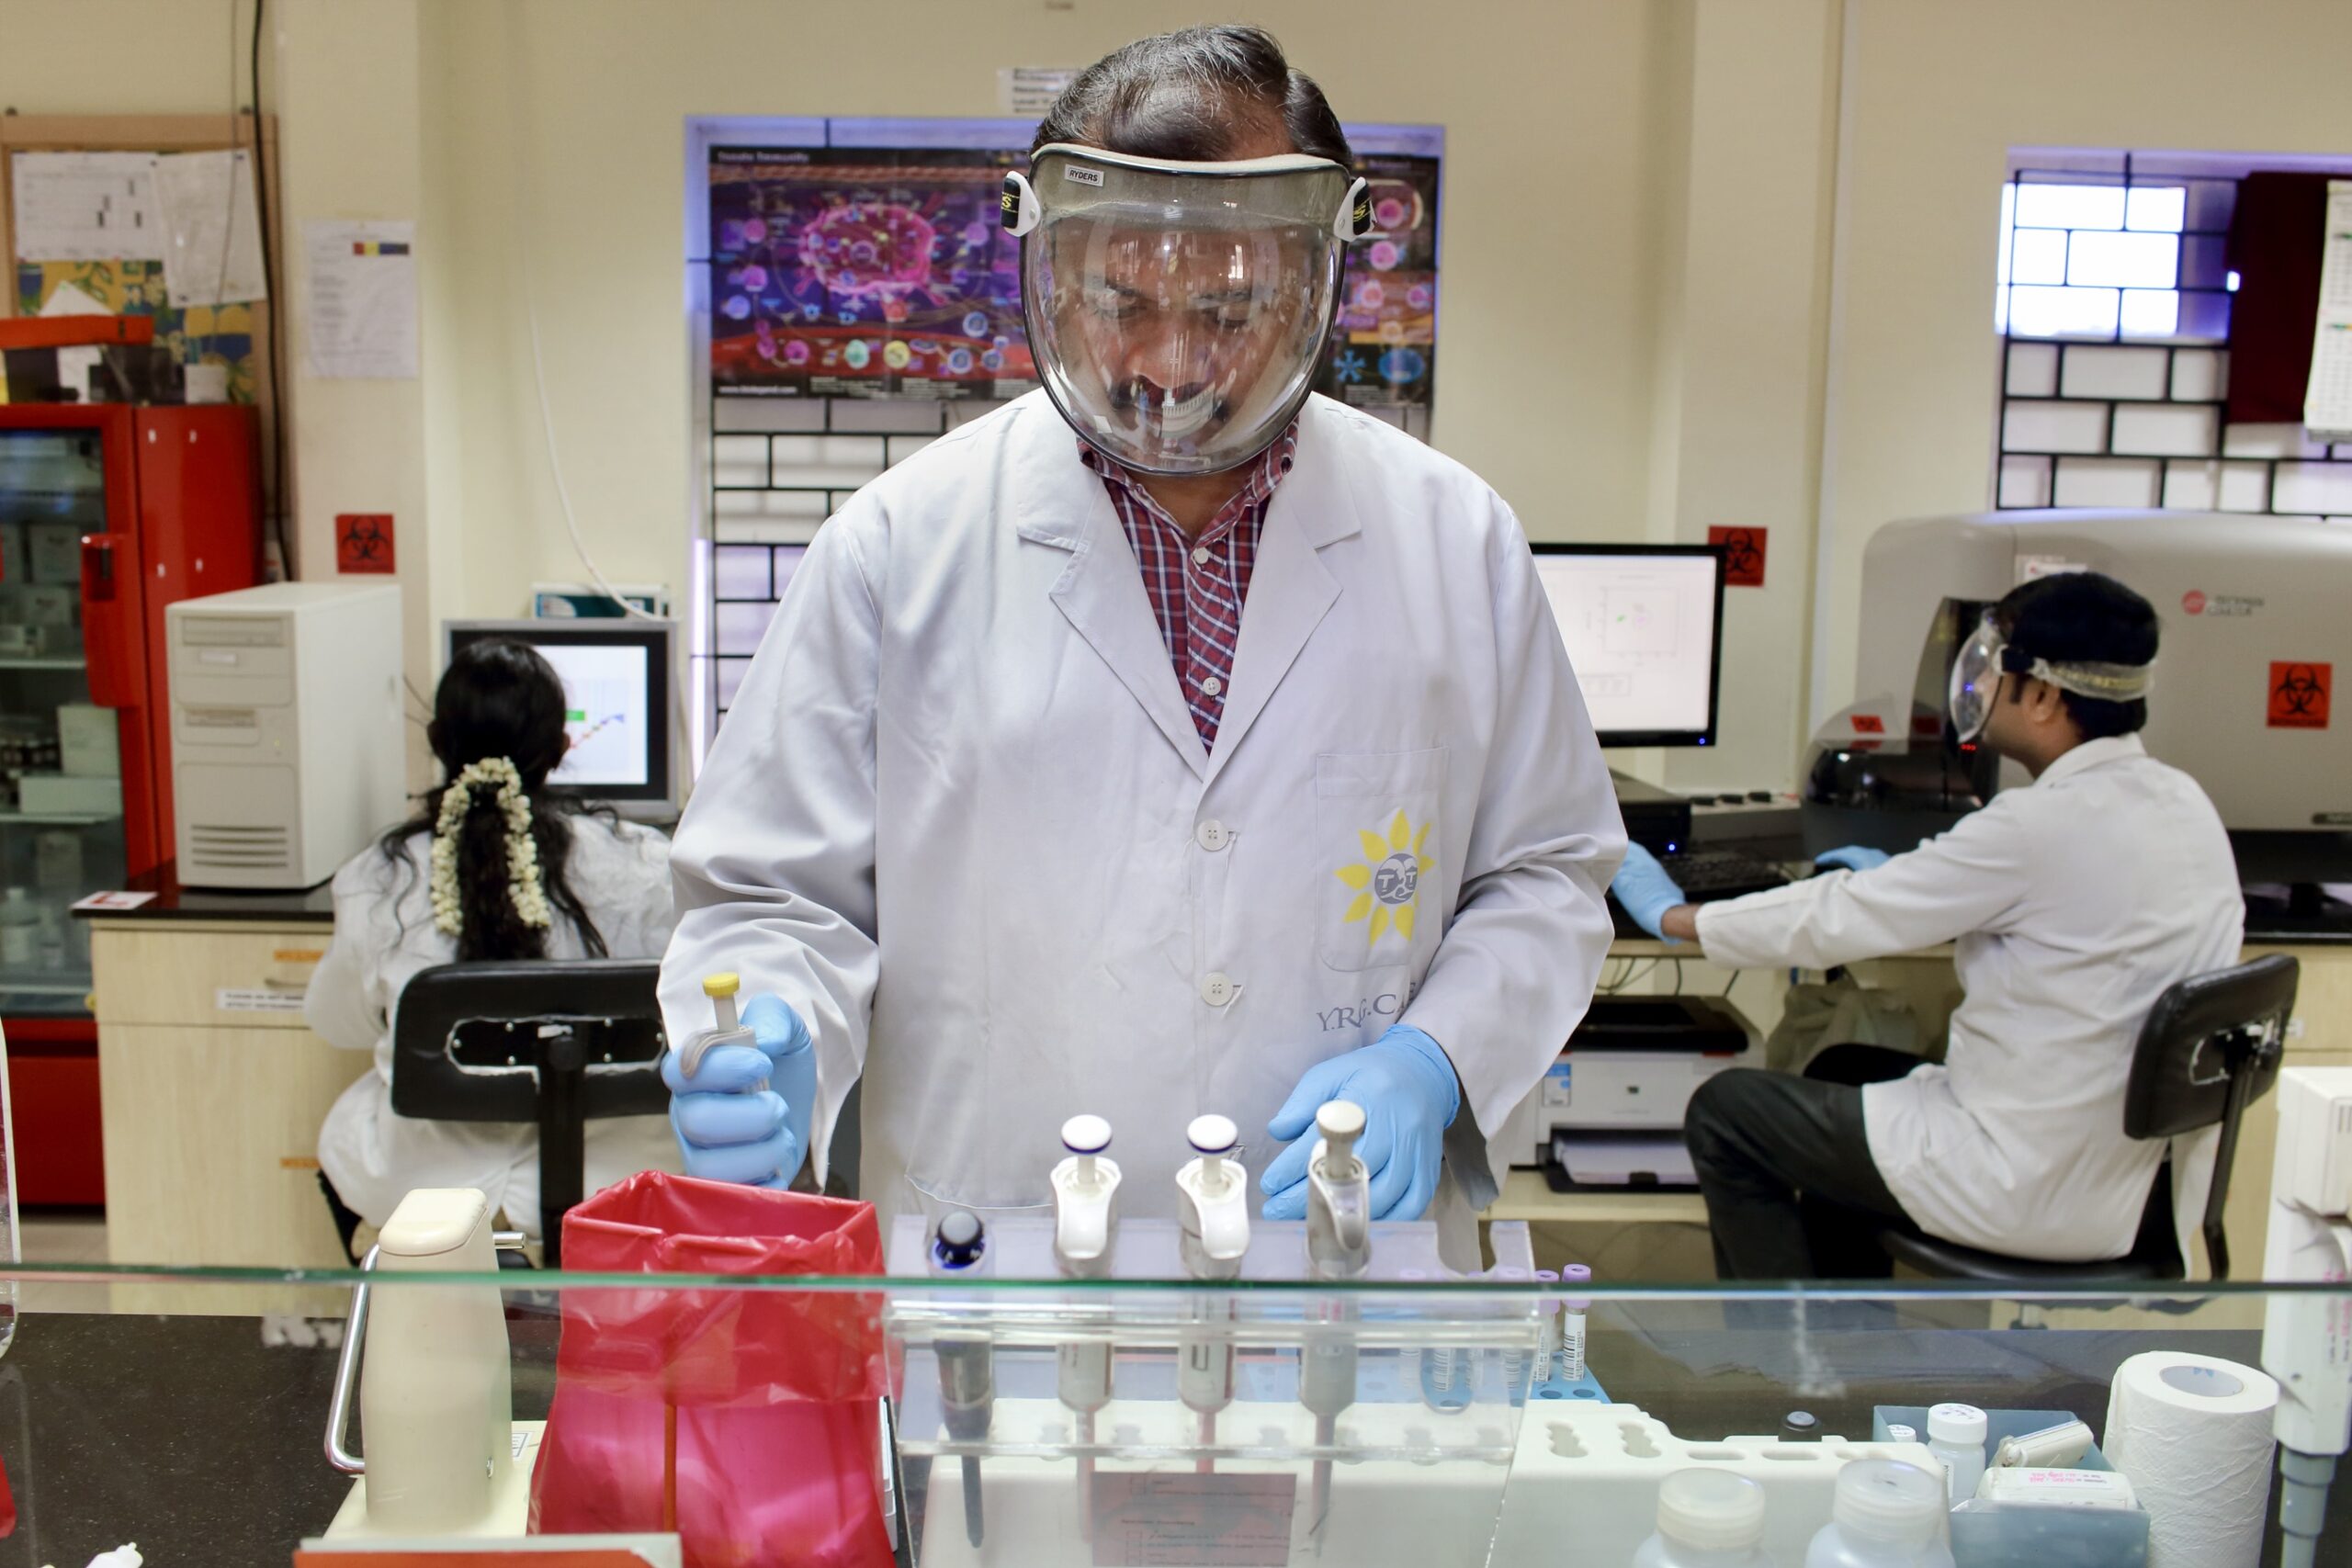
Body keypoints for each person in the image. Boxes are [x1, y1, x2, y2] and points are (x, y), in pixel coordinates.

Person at [658, 25, 1623, 1267]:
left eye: (1227, 309)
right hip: (998, 1264)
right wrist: (770, 1024)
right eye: (1121, 303)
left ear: (1319, 280)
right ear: (1050, 275)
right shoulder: (902, 541)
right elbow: (772, 891)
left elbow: (1548, 874)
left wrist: (1436, 1058)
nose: (1168, 363)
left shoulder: (1455, 540)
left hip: (1337, 1267)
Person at [1612, 571, 2244, 1279]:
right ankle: (1845, 1342)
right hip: (2125, 1175)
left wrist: (1680, 915)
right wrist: (1921, 877)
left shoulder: (2036, 826)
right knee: (1841, 1068)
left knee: (1728, 1112)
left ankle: (1778, 1360)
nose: (1974, 682)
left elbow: (1842, 915)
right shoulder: (2183, 802)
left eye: (1994, 664)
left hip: (2027, 1179)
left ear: (2040, 695)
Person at [309, 639, 682, 1253]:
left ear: (436, 741)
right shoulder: (644, 865)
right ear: (563, 748)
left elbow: (338, 1024)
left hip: (426, 1187)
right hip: (610, 1179)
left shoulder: (380, 878)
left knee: (352, 1116)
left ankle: (401, 1316)